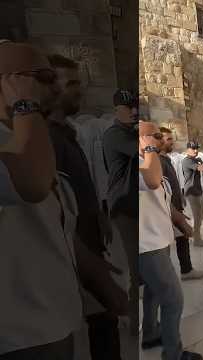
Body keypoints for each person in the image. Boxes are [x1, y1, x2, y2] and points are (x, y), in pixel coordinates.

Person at [0, 41, 127, 360]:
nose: (54, 87)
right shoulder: (23, 138)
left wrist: (98, 278)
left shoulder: (33, 136)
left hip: (56, 317)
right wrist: (25, 105)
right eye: (42, 77)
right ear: (9, 82)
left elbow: (56, 222)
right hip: (21, 334)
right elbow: (32, 183)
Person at [47, 54, 124, 359]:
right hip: (76, 253)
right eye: (72, 83)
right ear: (50, 88)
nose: (80, 90)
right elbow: (54, 211)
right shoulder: (48, 140)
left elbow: (80, 184)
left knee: (104, 325)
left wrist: (98, 216)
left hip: (88, 239)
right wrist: (95, 271)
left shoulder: (66, 134)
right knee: (102, 323)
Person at [138, 121, 203, 360]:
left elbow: (162, 199)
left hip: (159, 241)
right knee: (173, 298)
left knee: (155, 293)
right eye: (154, 136)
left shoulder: (151, 163)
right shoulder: (137, 164)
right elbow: (153, 181)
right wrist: (149, 150)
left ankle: (150, 334)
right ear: (142, 139)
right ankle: (173, 354)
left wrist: (181, 221)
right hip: (148, 246)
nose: (159, 139)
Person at [103, 89, 140, 335]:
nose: (134, 112)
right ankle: (130, 319)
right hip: (124, 208)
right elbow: (142, 150)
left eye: (135, 107)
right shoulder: (115, 134)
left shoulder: (128, 132)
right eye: (129, 108)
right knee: (135, 268)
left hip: (133, 206)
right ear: (117, 110)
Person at [159, 126, 203, 281]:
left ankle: (186, 270)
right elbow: (161, 187)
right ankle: (178, 272)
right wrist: (174, 210)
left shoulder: (165, 159)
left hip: (176, 205)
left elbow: (172, 183)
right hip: (170, 209)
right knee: (170, 242)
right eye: (169, 139)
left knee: (181, 239)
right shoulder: (159, 160)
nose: (172, 141)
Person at [182, 141, 203, 247]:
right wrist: (200, 161)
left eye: (197, 148)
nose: (196, 150)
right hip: (191, 191)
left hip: (198, 190)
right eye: (193, 148)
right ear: (187, 150)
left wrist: (200, 161)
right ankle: (197, 239)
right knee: (198, 217)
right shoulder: (187, 161)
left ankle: (193, 229)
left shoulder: (195, 159)